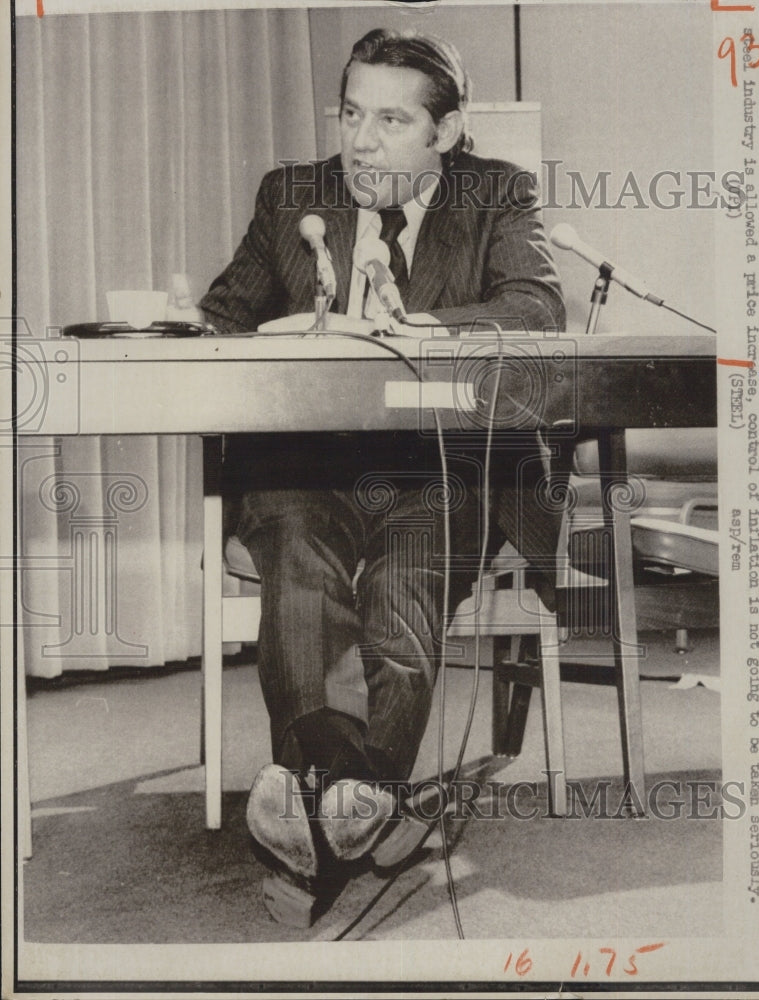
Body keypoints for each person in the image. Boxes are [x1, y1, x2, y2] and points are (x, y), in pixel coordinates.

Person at [199, 27, 566, 924]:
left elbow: (537, 308)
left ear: (446, 133)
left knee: (404, 585)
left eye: (392, 120)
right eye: (351, 112)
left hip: (442, 465)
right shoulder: (294, 196)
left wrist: (425, 329)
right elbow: (221, 315)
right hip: (306, 465)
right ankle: (356, 795)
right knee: (300, 559)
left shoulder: (497, 193)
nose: (361, 142)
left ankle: (316, 802)